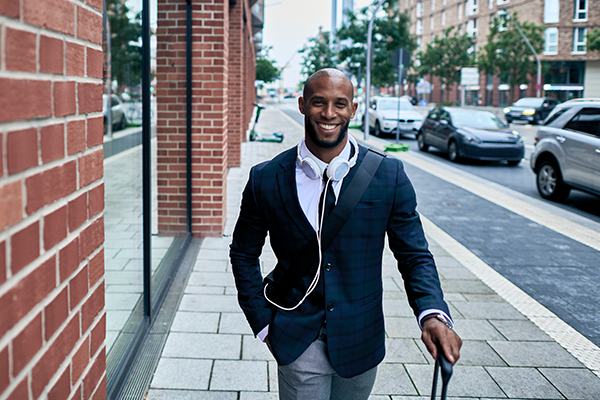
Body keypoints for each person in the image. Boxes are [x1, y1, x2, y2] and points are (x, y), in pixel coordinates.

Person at [230, 68, 461, 400]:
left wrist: (432, 313)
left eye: (340, 104)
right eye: (318, 102)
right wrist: (264, 324)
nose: (328, 113)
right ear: (301, 105)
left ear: (353, 110)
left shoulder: (388, 175)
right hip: (296, 339)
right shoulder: (265, 178)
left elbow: (414, 255)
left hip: (361, 338)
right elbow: (243, 254)